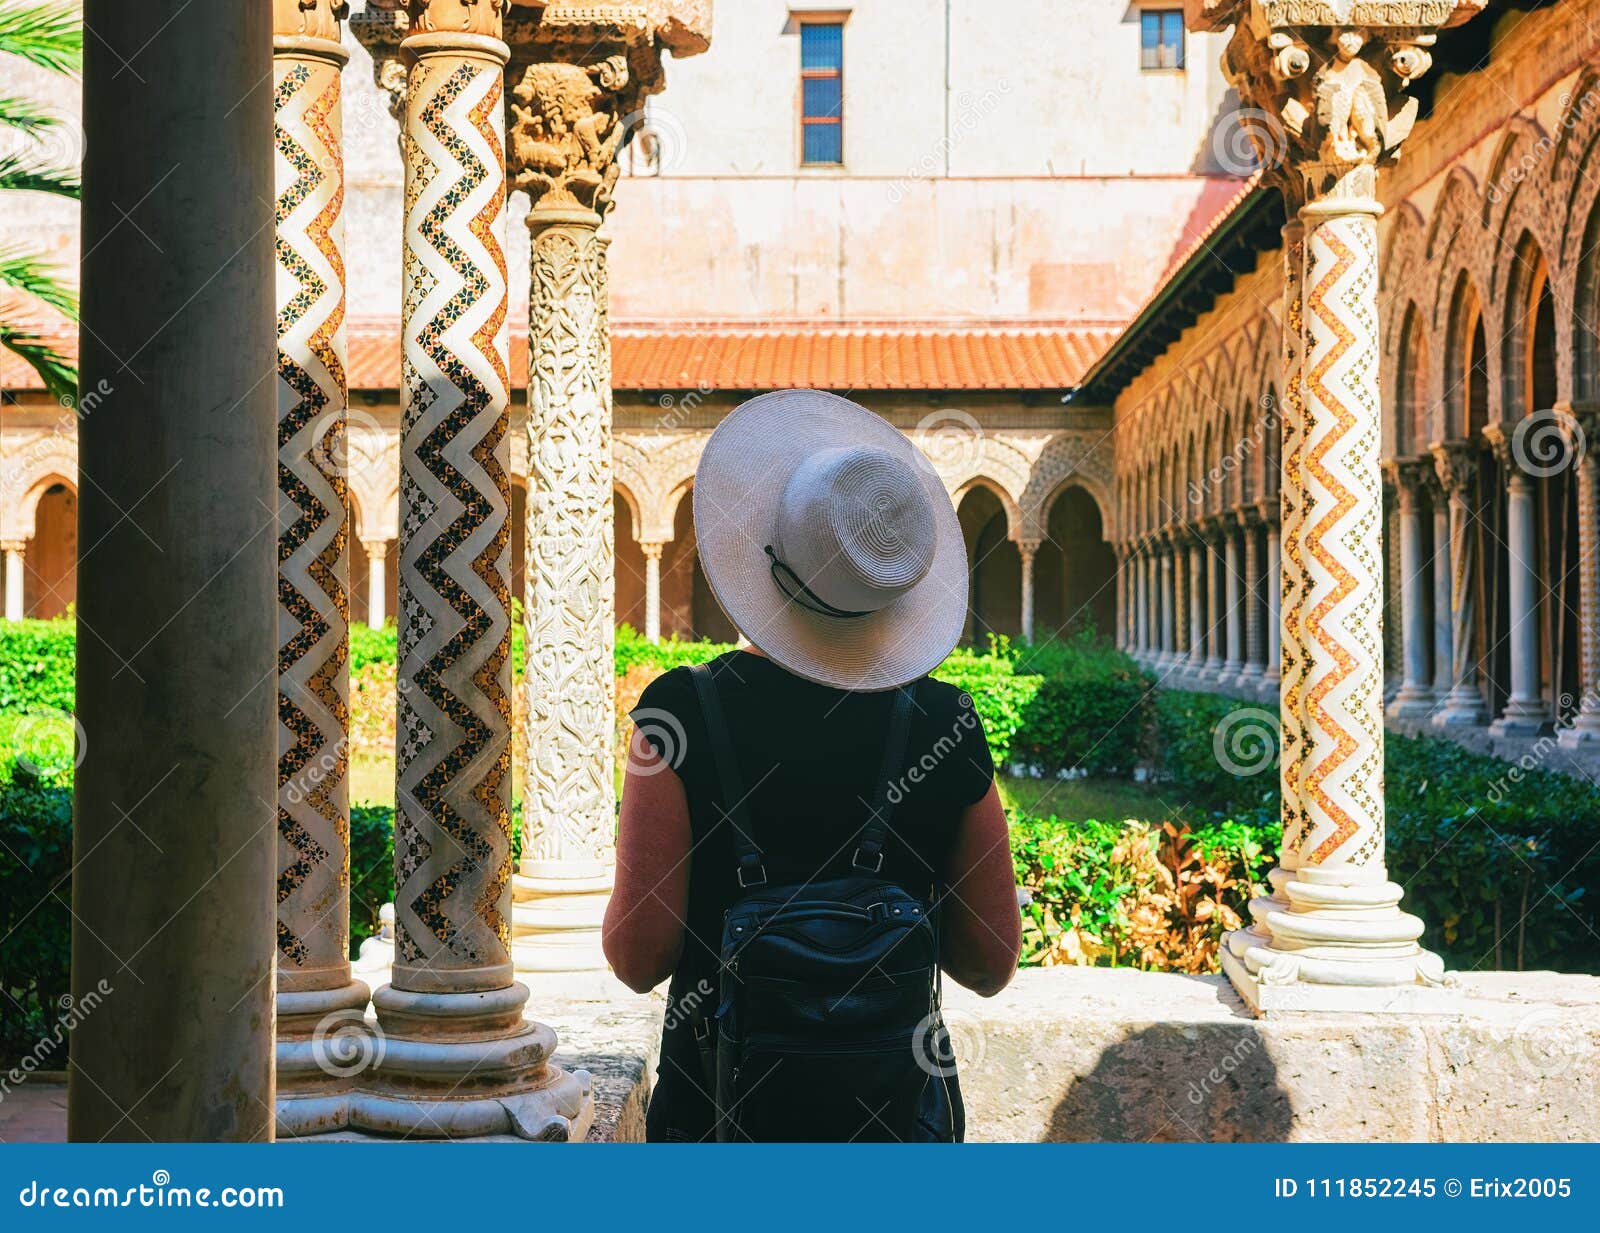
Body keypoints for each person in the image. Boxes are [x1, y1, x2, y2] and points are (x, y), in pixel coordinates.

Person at [602, 388, 1022, 1142]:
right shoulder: (944, 722)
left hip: (717, 1125)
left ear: (766, 552)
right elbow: (990, 962)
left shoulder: (680, 712)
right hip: (891, 1128)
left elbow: (637, 958)